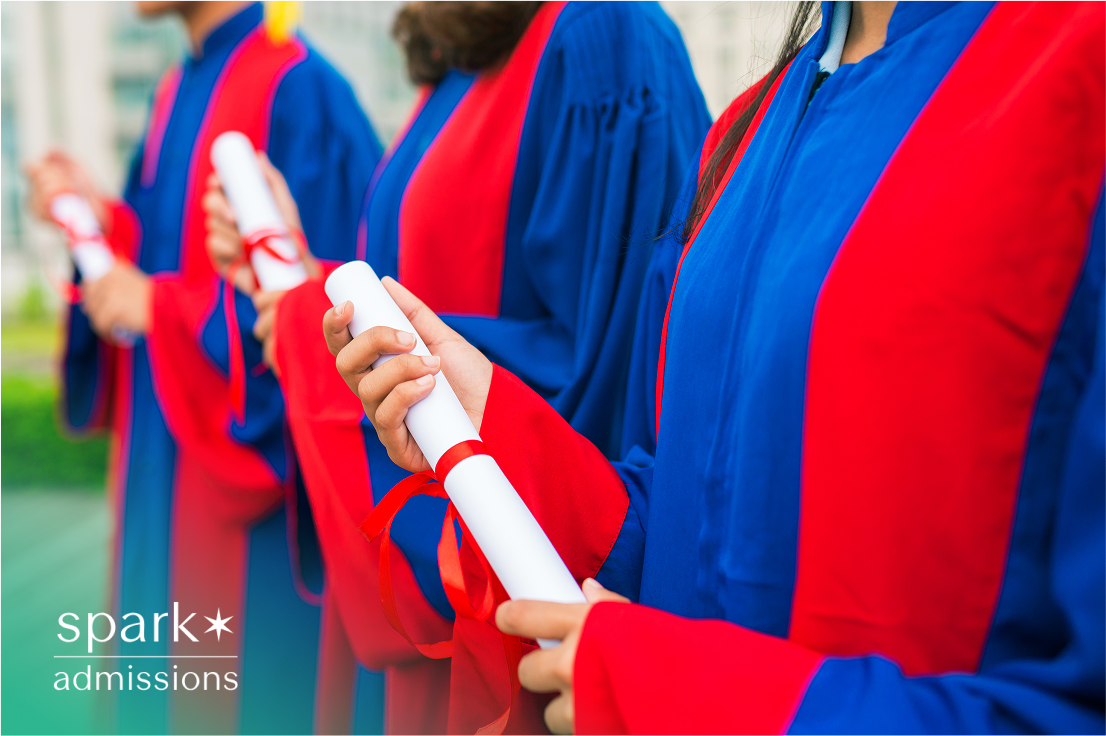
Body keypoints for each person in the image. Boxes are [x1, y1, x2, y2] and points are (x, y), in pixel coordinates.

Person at [325, 1, 1106, 733]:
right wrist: (488, 421)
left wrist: (683, 696)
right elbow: (675, 535)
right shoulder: (749, 127)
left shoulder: (1077, 77)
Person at [203, 1, 711, 731]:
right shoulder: (456, 69)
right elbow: (420, 290)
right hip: (434, 540)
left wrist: (311, 331)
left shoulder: (602, 33)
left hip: (505, 587)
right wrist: (304, 284)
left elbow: (609, 362)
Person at [25, 2, 383, 733]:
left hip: (247, 504)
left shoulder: (296, 88)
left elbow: (324, 308)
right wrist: (91, 218)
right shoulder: (173, 91)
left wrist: (158, 308)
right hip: (162, 458)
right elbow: (159, 256)